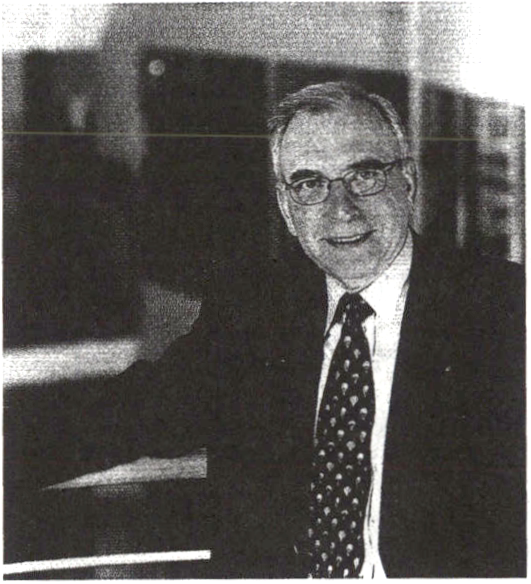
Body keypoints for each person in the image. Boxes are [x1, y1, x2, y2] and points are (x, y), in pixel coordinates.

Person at [12, 82, 525, 577]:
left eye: (364, 175)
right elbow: (135, 411)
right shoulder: (256, 310)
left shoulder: (503, 311)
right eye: (310, 184)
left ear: (408, 182)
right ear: (286, 206)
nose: (341, 209)